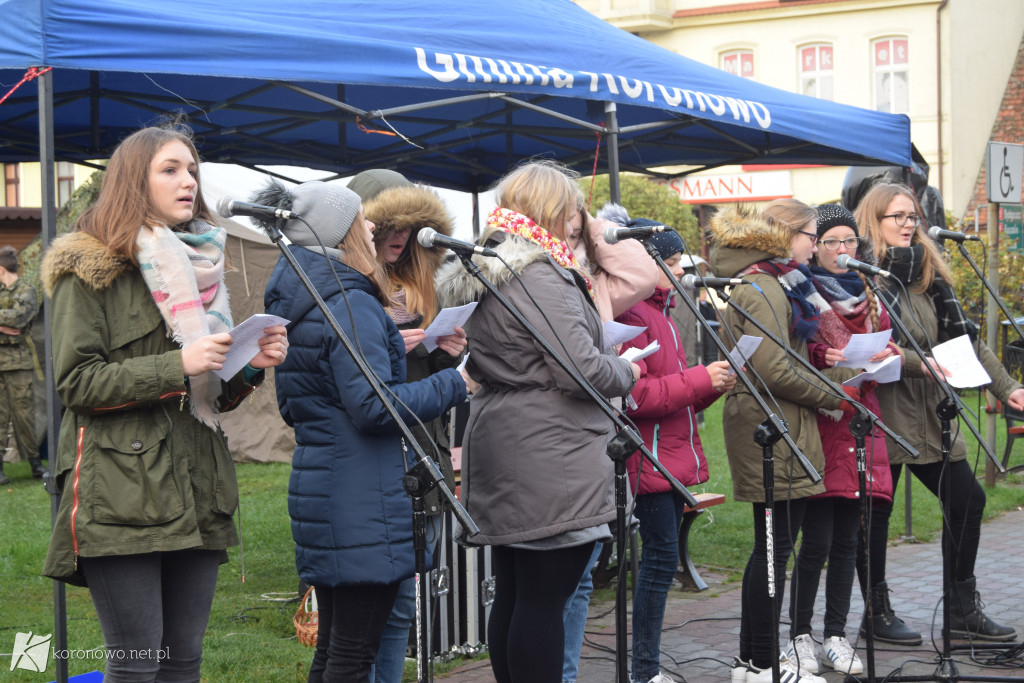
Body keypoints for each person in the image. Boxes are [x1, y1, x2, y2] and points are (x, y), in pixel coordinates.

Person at [40, 124, 288, 682]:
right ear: (134, 181)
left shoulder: (203, 263)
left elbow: (210, 394)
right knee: (136, 663)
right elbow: (77, 383)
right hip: (122, 491)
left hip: (197, 485)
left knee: (184, 660)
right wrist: (179, 363)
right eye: (170, 170)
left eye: (192, 170)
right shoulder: (91, 269)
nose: (187, 181)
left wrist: (251, 363)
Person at [435, 159, 639, 683]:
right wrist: (628, 368)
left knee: (519, 594)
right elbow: (580, 370)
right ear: (554, 210)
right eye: (575, 210)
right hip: (552, 456)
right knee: (544, 599)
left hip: (512, 440)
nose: (580, 222)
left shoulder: (493, 267)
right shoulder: (539, 273)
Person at [261, 179, 468, 682]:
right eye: (362, 219)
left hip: (328, 489)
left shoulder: (304, 298)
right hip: (363, 500)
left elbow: (294, 406)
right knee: (352, 656)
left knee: (335, 651)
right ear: (339, 232)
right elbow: (377, 409)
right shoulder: (352, 304)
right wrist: (456, 381)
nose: (372, 225)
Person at [854, 182, 1024, 643]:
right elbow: (864, 354)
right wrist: (919, 364)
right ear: (875, 220)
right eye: (898, 216)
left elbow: (964, 342)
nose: (909, 224)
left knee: (967, 501)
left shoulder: (927, 276)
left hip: (931, 415)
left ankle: (960, 608)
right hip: (880, 413)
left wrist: (1008, 388)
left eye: (913, 216)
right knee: (876, 514)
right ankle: (876, 613)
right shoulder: (859, 275)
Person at [709, 199, 857, 683]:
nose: (816, 246)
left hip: (778, 422)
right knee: (771, 550)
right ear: (787, 234)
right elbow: (774, 369)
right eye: (813, 236)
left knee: (771, 548)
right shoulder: (765, 286)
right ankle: (761, 663)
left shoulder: (770, 282)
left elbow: (782, 360)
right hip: (772, 427)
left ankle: (752, 662)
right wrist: (833, 396)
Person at [348, 168, 468, 683]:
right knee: (361, 624)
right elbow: (359, 392)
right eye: (390, 225)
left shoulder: (418, 287)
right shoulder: (348, 292)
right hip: (372, 469)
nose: (401, 236)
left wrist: (445, 354)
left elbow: (425, 390)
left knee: (403, 608)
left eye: (412, 227)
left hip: (424, 461)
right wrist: (389, 347)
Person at [616, 226, 735, 683]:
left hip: (669, 457)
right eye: (673, 261)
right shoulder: (634, 315)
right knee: (660, 559)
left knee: (663, 559)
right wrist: (700, 380)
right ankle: (644, 670)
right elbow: (639, 395)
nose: (683, 269)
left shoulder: (665, 314)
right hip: (646, 458)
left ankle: (647, 668)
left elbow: (678, 393)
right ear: (648, 265)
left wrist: (714, 385)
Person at [785, 205, 896, 675]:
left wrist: (887, 355)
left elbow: (884, 353)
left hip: (861, 426)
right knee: (818, 541)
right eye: (831, 241)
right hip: (825, 424)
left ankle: (836, 634)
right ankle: (799, 636)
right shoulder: (802, 294)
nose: (842, 250)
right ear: (816, 245)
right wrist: (827, 359)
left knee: (850, 540)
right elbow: (800, 355)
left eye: (849, 241)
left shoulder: (870, 295)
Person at [561, 201, 658, 683]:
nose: (576, 240)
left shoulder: (590, 282)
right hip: (566, 440)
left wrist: (596, 227)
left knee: (582, 574)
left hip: (602, 436)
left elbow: (644, 272)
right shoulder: (545, 282)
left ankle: (569, 672)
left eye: (580, 233)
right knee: (555, 581)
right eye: (570, 230)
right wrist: (625, 369)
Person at [0, 245, 41, 483]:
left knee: (24, 415)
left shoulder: (27, 290)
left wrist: (11, 323)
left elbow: (20, 318)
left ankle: (36, 465)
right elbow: (12, 321)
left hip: (18, 363)